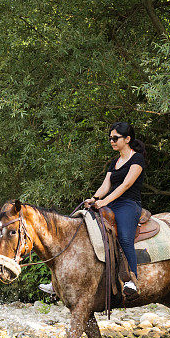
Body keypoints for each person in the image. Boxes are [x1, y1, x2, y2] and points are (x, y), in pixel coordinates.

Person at [40, 122, 145, 296]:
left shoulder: (137, 159)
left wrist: (104, 202)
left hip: (129, 204)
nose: (112, 141)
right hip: (111, 203)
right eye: (110, 138)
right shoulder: (115, 162)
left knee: (125, 238)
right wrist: (95, 198)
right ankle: (57, 282)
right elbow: (106, 186)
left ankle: (131, 281)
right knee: (80, 232)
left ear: (127, 139)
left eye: (115, 138)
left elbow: (126, 185)